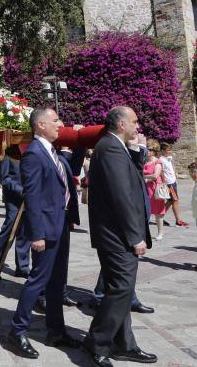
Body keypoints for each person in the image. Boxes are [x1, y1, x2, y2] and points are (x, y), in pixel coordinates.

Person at [83, 106, 157, 367]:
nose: (139, 126)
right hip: (116, 235)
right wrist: (135, 237)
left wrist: (137, 151)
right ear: (121, 124)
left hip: (115, 234)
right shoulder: (111, 147)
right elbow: (121, 197)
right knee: (121, 289)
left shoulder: (116, 146)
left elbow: (132, 180)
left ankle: (124, 344)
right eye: (135, 121)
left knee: (121, 290)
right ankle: (98, 341)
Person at [7, 108, 82, 359]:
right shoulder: (33, 155)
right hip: (45, 230)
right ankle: (17, 331)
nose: (60, 124)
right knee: (38, 280)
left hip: (60, 225)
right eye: (55, 120)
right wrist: (36, 235)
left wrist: (80, 143)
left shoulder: (52, 152)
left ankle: (56, 331)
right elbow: (33, 197)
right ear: (40, 125)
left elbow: (69, 174)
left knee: (58, 281)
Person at [0, 147, 31, 278]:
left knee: (25, 232)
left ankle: (22, 267)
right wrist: (21, 190)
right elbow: (4, 178)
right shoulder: (6, 152)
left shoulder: (29, 150)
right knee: (9, 229)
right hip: (14, 198)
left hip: (29, 198)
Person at [159, 143, 188, 227]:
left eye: (170, 150)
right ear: (162, 151)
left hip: (173, 181)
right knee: (175, 200)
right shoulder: (161, 160)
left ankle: (160, 215)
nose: (170, 151)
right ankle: (178, 221)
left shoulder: (169, 158)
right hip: (169, 183)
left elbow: (171, 168)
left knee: (171, 200)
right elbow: (161, 172)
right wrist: (164, 182)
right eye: (168, 150)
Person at [144, 140, 167, 241]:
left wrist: (143, 176)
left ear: (154, 151)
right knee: (145, 211)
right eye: (146, 148)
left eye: (150, 149)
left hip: (155, 189)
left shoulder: (157, 162)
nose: (147, 151)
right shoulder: (145, 161)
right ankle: (145, 233)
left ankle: (160, 233)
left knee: (158, 213)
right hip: (146, 188)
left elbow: (155, 176)